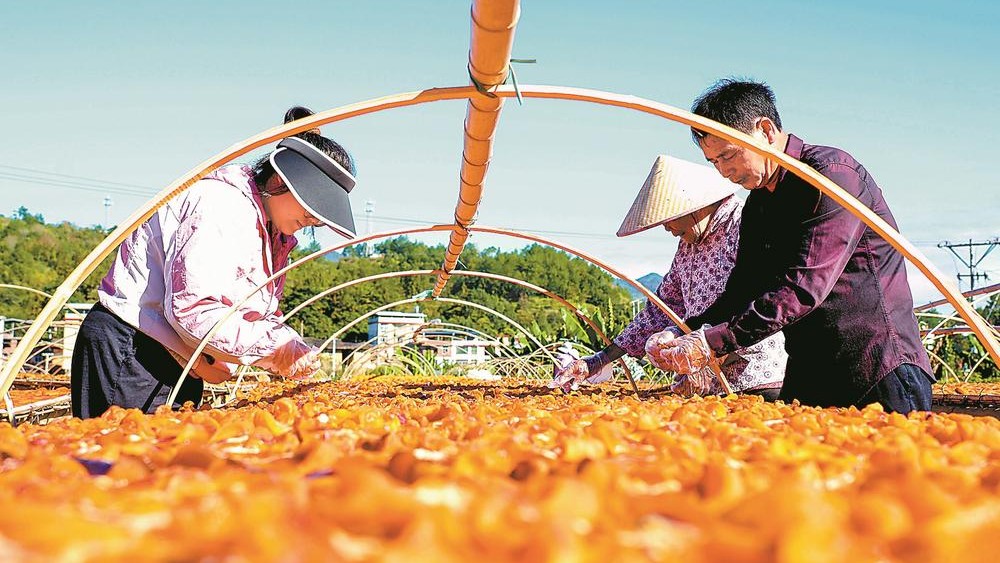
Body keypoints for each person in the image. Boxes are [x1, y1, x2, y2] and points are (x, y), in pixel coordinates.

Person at [646, 78, 933, 413]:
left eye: (728, 155)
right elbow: (744, 287)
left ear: (766, 131)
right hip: (812, 370)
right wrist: (684, 331)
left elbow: (804, 287)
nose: (724, 171)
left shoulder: (830, 176)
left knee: (898, 462)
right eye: (715, 162)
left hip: (875, 366)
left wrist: (712, 343)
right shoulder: (759, 204)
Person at [71, 106, 358, 418]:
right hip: (134, 351)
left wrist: (276, 345)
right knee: (121, 455)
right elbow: (192, 309)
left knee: (167, 457)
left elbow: (247, 312)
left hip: (176, 355)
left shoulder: (273, 233)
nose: (313, 219)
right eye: (309, 206)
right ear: (278, 182)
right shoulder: (222, 206)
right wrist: (275, 349)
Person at [552, 154, 786, 397]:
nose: (667, 229)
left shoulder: (744, 224)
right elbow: (662, 309)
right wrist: (599, 360)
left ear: (693, 206)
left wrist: (710, 353)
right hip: (708, 386)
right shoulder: (689, 246)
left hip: (757, 379)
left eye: (668, 219)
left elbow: (769, 301)